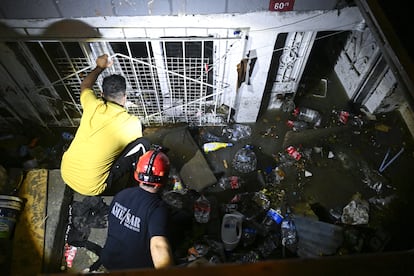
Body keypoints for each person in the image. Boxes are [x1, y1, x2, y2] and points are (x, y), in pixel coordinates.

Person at [60, 54, 149, 196]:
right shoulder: (132, 123)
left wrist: (100, 67)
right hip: (93, 187)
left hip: (66, 172)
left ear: (101, 94)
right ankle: (141, 184)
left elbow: (85, 85)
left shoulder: (92, 105)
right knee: (143, 143)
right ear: (125, 97)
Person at [99, 148, 174, 270]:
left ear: (137, 174)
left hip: (108, 260)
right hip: (134, 269)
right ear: (165, 179)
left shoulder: (121, 195)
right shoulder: (157, 209)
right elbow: (158, 246)